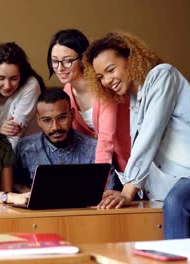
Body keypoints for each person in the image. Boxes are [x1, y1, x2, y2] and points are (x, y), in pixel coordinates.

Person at [84, 31, 190, 239]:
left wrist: (128, 190)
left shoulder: (163, 75)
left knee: (177, 201)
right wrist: (127, 189)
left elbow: (150, 135)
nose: (107, 81)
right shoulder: (135, 101)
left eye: (111, 70)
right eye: (101, 77)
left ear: (131, 59)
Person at [47, 29, 130, 190]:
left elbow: (106, 140)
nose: (60, 68)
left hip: (130, 163)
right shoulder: (66, 94)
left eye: (67, 61)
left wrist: (97, 187)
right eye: (55, 61)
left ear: (83, 58)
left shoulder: (103, 88)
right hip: (106, 171)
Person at [15, 88, 97, 190]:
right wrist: (28, 195)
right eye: (47, 120)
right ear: (38, 121)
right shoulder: (25, 148)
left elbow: (108, 188)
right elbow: (17, 183)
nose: (55, 127)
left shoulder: (94, 149)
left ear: (72, 115)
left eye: (62, 118)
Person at [0, 42, 46, 151]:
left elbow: (13, 138)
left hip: (29, 153)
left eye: (14, 78)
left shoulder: (30, 85)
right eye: (1, 78)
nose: (7, 86)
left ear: (22, 75)